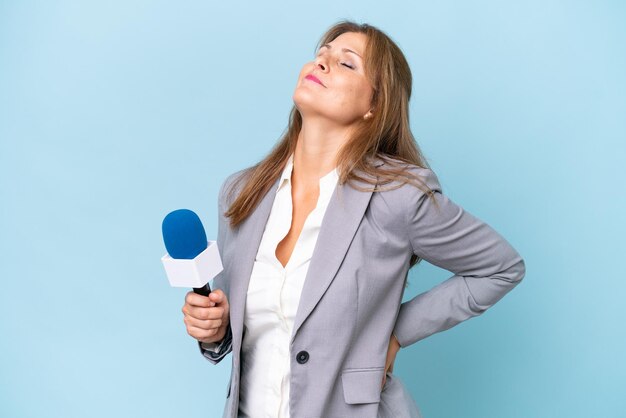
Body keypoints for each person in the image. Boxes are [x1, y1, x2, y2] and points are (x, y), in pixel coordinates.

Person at [181, 20, 526, 418]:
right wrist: (212, 327)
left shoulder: (399, 195)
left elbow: (501, 267)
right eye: (322, 54)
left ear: (374, 106)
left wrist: (395, 332)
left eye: (347, 64)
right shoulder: (241, 193)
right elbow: (229, 330)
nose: (323, 63)